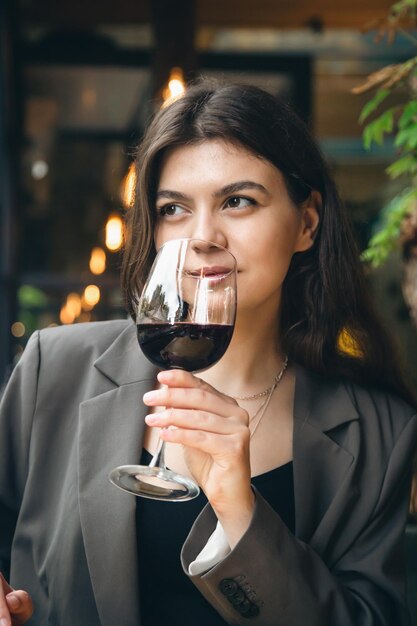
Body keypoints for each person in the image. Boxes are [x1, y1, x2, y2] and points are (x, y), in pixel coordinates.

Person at [1, 80, 416, 626]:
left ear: (307, 222)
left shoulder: (379, 433)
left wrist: (241, 514)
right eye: (174, 209)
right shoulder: (54, 369)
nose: (202, 237)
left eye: (238, 201)